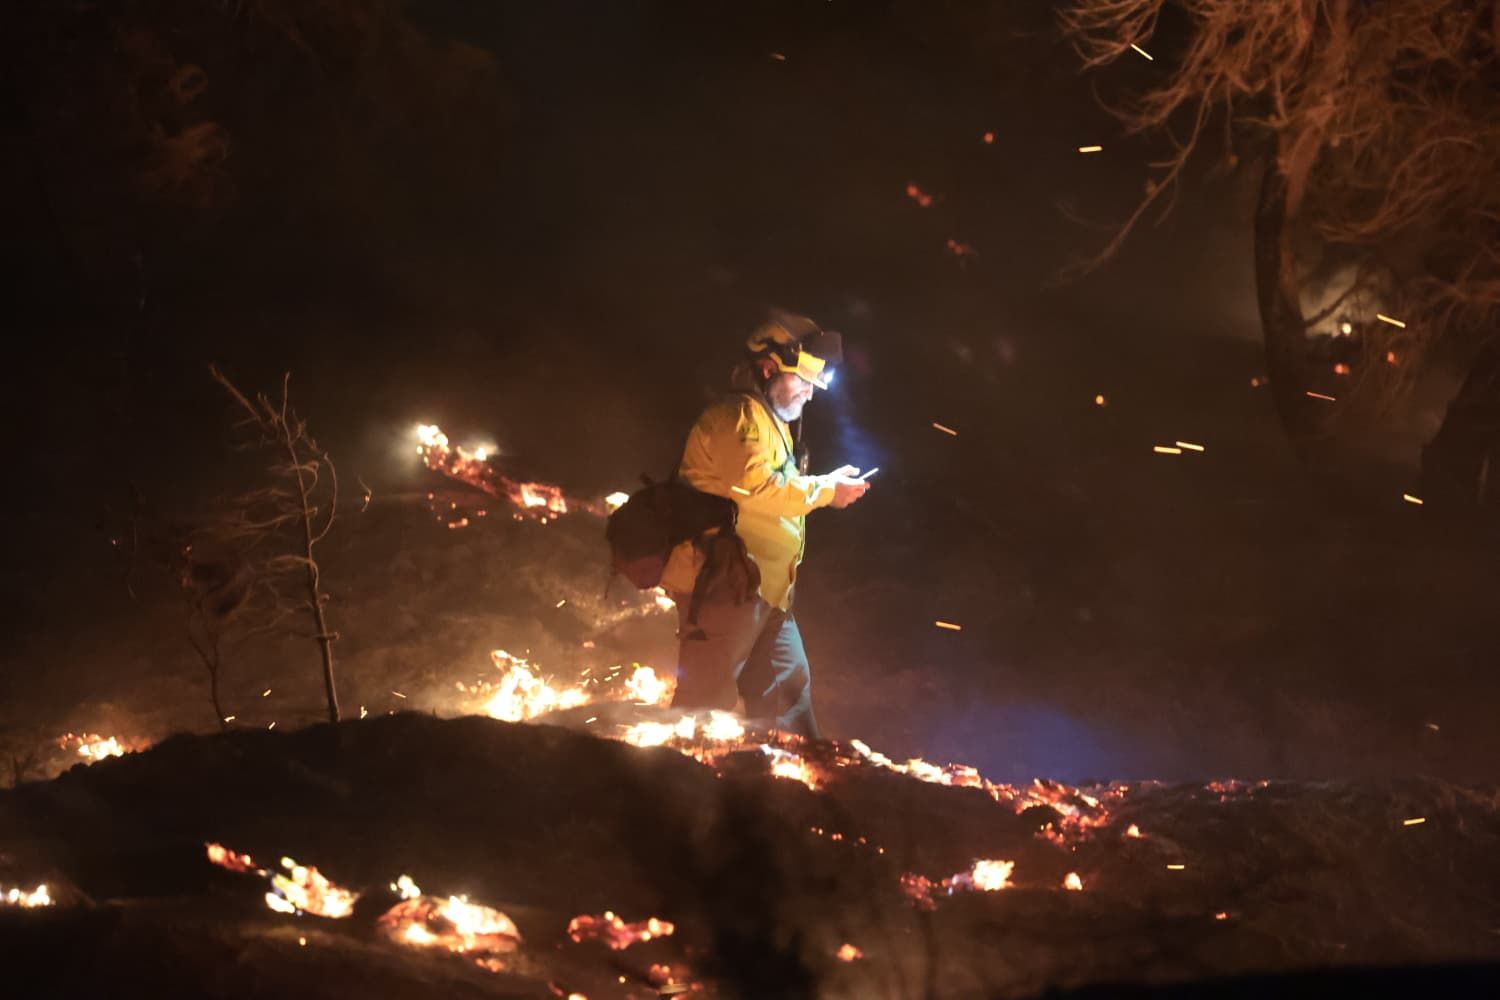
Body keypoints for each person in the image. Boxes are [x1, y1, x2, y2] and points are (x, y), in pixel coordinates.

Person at [659, 312, 871, 738]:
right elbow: (759, 489)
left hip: (767, 592)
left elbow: (780, 487)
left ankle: (800, 786)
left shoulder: (772, 424)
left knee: (789, 699)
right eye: (804, 381)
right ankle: (674, 788)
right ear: (769, 367)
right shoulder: (736, 417)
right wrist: (827, 491)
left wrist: (826, 482)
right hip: (722, 587)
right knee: (702, 707)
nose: (810, 395)